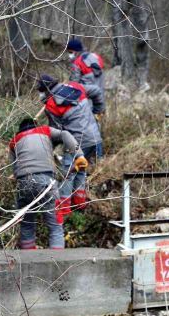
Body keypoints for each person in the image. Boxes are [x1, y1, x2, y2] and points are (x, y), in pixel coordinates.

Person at [9, 117, 86, 250]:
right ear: (35, 125)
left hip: (23, 184)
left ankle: (29, 265)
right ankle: (57, 266)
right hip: (47, 182)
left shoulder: (14, 141)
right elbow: (65, 134)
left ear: (20, 130)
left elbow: (15, 170)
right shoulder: (44, 130)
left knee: (27, 226)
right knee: (55, 226)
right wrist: (79, 155)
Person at [36, 74, 101, 215]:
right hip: (95, 137)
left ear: (46, 90)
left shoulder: (51, 105)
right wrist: (98, 111)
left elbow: (58, 132)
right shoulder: (75, 87)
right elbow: (97, 90)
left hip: (75, 142)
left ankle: (64, 210)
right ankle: (79, 205)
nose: (40, 95)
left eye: (40, 91)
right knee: (81, 168)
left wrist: (48, 148)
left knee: (68, 174)